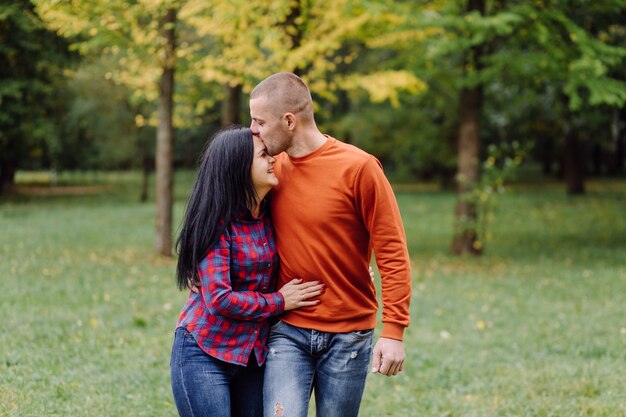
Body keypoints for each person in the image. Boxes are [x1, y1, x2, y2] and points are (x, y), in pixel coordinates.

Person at [249, 72, 412, 417]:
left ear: (289, 121)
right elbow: (229, 216)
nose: (254, 131)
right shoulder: (269, 170)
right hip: (288, 329)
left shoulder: (359, 168)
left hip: (349, 334)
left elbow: (392, 251)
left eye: (260, 121)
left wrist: (394, 331)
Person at [170, 126, 325, 417]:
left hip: (252, 357)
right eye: (264, 155)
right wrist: (280, 301)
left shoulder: (270, 214)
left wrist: (354, 268)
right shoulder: (219, 223)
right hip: (204, 353)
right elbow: (219, 299)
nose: (272, 160)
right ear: (238, 167)